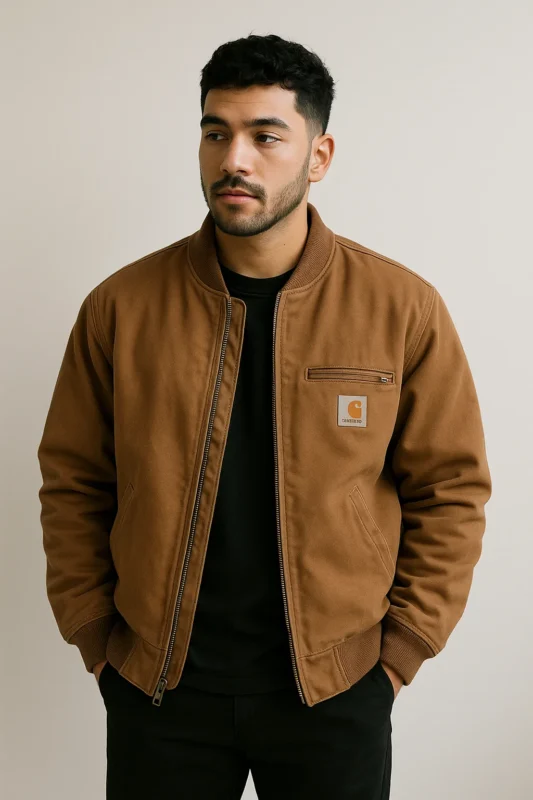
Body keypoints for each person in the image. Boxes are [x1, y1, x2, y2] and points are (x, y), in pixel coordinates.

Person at [37, 33, 492, 800]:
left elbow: (450, 488)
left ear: (318, 156)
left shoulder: (399, 308)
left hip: (335, 691)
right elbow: (74, 481)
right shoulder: (121, 308)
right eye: (215, 132)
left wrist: (398, 655)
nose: (233, 160)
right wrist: (97, 640)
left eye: (264, 135)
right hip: (160, 692)